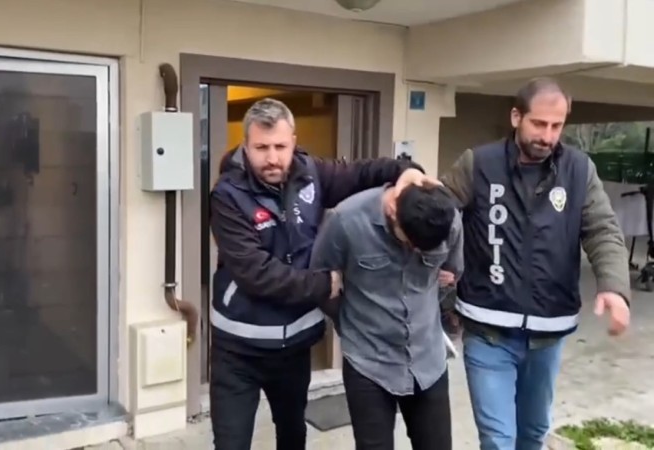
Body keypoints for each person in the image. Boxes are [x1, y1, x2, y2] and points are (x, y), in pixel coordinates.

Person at [209, 97, 435, 450]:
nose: (272, 158)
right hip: (238, 350)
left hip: (294, 348)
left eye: (280, 146)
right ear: (246, 145)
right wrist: (324, 284)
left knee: (293, 435)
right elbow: (256, 273)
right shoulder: (227, 195)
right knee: (231, 443)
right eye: (261, 148)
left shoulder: (310, 173)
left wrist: (406, 171)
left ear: (293, 142)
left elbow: (361, 173)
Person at [438, 77, 631, 450]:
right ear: (516, 117)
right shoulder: (478, 163)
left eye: (557, 126)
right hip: (488, 329)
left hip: (548, 331)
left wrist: (614, 287)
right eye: (539, 124)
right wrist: (439, 264)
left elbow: (602, 230)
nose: (548, 135)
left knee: (532, 434)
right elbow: (438, 212)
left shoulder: (579, 170)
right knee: (498, 440)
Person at [310, 183, 463, 450]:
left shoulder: (447, 219)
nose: (416, 252)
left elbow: (452, 273)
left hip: (428, 360)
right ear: (392, 210)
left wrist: (426, 309)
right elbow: (320, 282)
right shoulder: (346, 220)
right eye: (410, 243)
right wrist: (349, 323)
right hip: (368, 362)